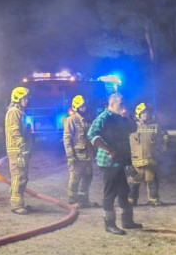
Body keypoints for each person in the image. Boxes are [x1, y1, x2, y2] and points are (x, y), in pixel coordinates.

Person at [87, 92, 142, 235]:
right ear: (112, 104)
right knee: (110, 193)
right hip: (109, 161)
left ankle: (127, 221)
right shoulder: (103, 118)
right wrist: (108, 149)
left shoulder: (120, 117)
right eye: (120, 104)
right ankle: (109, 224)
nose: (123, 106)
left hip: (120, 161)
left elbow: (133, 129)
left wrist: (128, 116)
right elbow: (92, 135)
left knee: (124, 191)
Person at [128, 102, 168, 206]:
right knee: (134, 183)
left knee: (152, 181)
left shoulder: (156, 126)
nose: (145, 115)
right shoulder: (131, 126)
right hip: (135, 161)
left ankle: (154, 200)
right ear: (138, 114)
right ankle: (131, 201)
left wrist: (160, 150)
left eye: (147, 112)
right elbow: (124, 142)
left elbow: (165, 137)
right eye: (143, 113)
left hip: (151, 160)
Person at [5, 86, 34, 214]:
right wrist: (22, 144)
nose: (26, 100)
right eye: (24, 98)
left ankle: (19, 202)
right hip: (17, 150)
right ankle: (16, 206)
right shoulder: (14, 112)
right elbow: (14, 130)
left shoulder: (20, 112)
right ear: (18, 98)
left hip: (20, 150)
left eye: (27, 98)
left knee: (22, 176)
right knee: (18, 176)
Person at [62, 94, 94, 207]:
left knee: (87, 177)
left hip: (88, 155)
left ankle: (84, 200)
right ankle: (72, 201)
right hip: (77, 155)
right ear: (76, 107)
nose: (84, 108)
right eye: (82, 106)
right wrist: (70, 156)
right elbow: (67, 139)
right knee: (75, 179)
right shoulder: (71, 120)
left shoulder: (87, 119)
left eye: (85, 106)